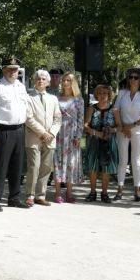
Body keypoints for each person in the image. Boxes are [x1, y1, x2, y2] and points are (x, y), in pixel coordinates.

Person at [0, 56, 30, 211]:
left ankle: (14, 197)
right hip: (4, 129)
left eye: (16, 69)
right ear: (4, 70)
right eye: (10, 69)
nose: (13, 72)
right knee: (1, 165)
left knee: (17, 165)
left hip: (20, 128)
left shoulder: (21, 86)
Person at [24, 69, 62, 206]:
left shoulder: (53, 99)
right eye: (38, 78)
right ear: (34, 81)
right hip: (33, 137)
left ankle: (40, 195)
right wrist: (42, 133)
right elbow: (28, 118)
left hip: (50, 139)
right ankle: (30, 195)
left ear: (48, 82)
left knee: (46, 167)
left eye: (44, 79)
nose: (41, 80)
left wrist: (51, 133)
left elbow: (58, 118)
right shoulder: (28, 97)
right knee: (34, 166)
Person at [114, 70, 140, 202]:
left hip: (138, 130)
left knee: (136, 160)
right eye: (131, 77)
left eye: (136, 78)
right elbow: (116, 110)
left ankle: (137, 191)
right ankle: (120, 190)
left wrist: (131, 126)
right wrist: (122, 126)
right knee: (123, 160)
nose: (133, 80)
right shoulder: (122, 93)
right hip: (122, 129)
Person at [83, 83, 118, 202]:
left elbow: (120, 127)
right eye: (100, 93)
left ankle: (105, 193)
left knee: (106, 167)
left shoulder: (114, 109)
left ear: (109, 95)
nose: (103, 95)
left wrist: (111, 130)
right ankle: (92, 192)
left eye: (105, 93)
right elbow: (85, 126)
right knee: (92, 166)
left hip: (109, 141)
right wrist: (96, 133)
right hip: (94, 140)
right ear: (96, 95)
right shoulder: (91, 108)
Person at [53, 72, 85, 203]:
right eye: (64, 80)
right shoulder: (56, 98)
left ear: (74, 83)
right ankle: (57, 193)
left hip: (73, 134)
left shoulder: (79, 99)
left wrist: (79, 137)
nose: (66, 82)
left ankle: (69, 192)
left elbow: (81, 119)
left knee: (72, 163)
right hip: (58, 133)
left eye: (69, 80)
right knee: (57, 163)